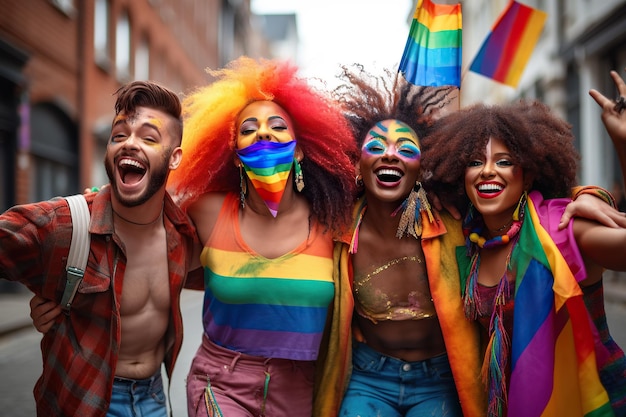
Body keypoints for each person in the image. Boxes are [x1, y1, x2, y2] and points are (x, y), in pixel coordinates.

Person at [165, 56, 357, 417]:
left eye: (278, 126)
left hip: (302, 389)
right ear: (236, 155)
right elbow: (148, 255)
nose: (264, 132)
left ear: (300, 149)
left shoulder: (336, 220)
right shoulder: (206, 212)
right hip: (219, 384)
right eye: (249, 128)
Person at [0, 80, 203, 416]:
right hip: (85, 401)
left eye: (149, 137)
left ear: (174, 158)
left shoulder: (183, 234)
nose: (129, 144)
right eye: (119, 135)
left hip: (155, 399)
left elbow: (239, 274)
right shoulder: (66, 223)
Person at [420, 98, 626, 417]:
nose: (488, 170)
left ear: (527, 176)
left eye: (503, 162)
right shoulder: (468, 242)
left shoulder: (558, 229)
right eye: (475, 162)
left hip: (588, 400)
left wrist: (623, 145)